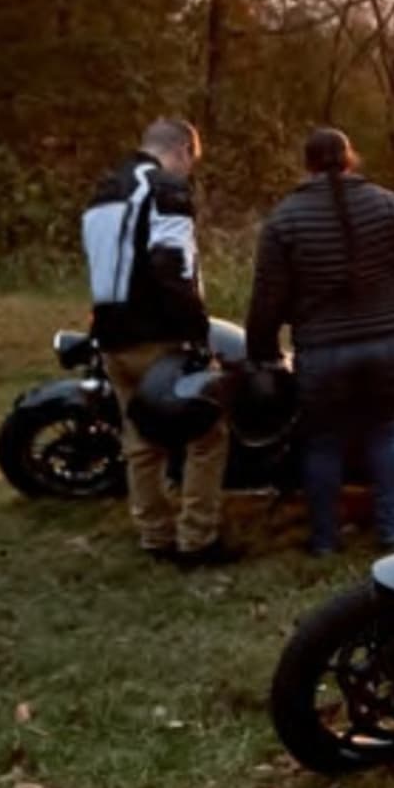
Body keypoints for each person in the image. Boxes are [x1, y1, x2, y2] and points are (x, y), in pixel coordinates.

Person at [246, 127, 394, 556]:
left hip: (323, 347)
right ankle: (390, 535)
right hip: (392, 340)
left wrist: (263, 353)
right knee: (385, 432)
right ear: (350, 158)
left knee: (323, 440)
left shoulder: (285, 219)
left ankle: (325, 540)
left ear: (308, 164)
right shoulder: (390, 205)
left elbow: (267, 299)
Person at [82, 116, 232, 567]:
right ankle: (198, 538)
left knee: (141, 438)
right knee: (207, 434)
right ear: (184, 150)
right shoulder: (166, 189)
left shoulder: (104, 191)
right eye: (193, 161)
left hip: (111, 334)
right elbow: (172, 264)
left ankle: (154, 533)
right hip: (158, 335)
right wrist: (197, 331)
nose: (190, 171)